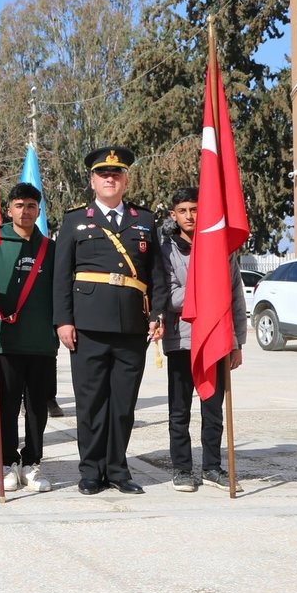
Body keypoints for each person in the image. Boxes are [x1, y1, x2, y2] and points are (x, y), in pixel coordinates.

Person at [52, 147, 165, 496]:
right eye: (103, 174)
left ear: (126, 180)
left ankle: (117, 470)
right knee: (90, 404)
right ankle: (90, 471)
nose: (110, 179)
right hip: (87, 326)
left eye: (116, 174)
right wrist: (63, 321)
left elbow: (157, 275)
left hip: (132, 326)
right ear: (92, 181)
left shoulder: (144, 220)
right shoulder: (74, 220)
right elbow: (61, 276)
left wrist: (157, 314)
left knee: (123, 404)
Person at [161, 187, 246, 492]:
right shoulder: (166, 249)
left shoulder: (222, 247)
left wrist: (237, 342)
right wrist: (208, 288)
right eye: (182, 211)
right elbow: (171, 297)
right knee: (179, 410)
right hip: (182, 339)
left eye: (194, 209)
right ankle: (182, 469)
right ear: (173, 215)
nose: (189, 216)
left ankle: (212, 467)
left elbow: (235, 296)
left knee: (213, 409)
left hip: (217, 339)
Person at [0, 184, 57, 493]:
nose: (25, 211)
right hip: (6, 341)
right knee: (6, 405)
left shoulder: (50, 248)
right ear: (9, 210)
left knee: (37, 408)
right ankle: (8, 462)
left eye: (31, 206)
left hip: (42, 342)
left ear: (39, 210)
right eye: (19, 205)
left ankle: (32, 461)